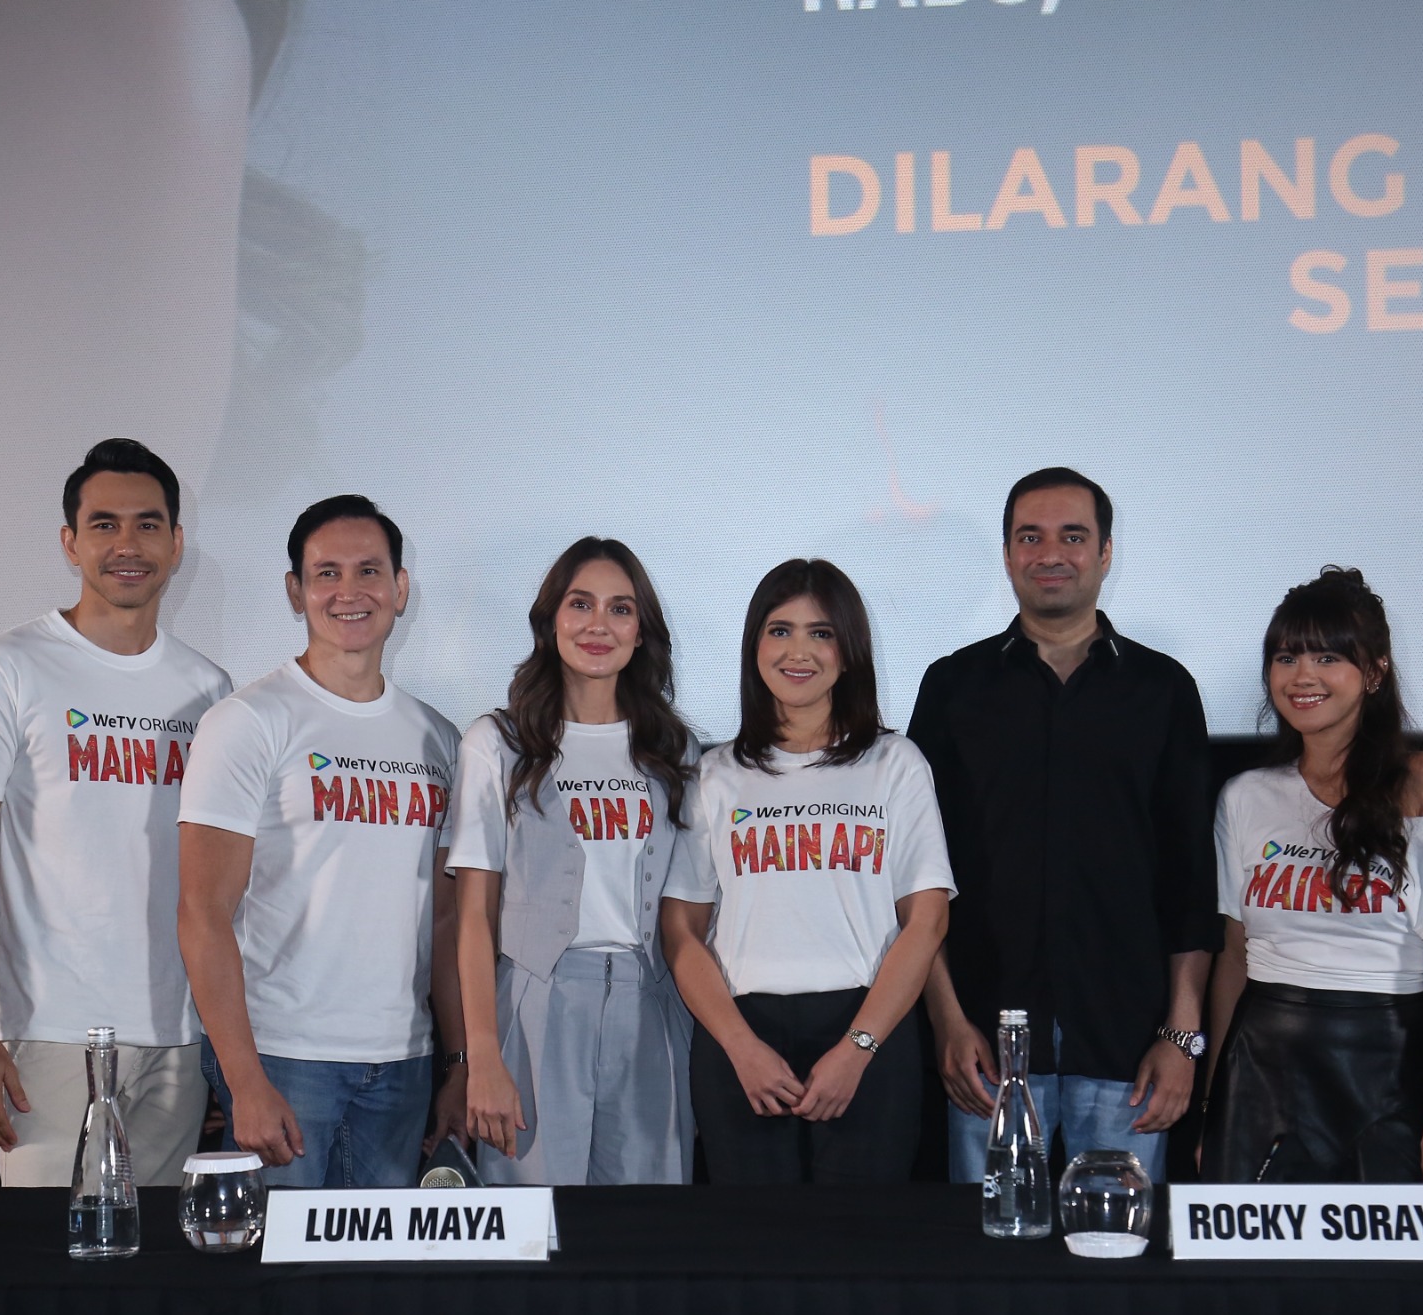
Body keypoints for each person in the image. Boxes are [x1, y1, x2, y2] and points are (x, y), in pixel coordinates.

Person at [0, 438, 230, 1184]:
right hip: (49, 1040)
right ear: (70, 543)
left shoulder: (211, 689)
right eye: (104, 525)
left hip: (179, 1039)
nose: (128, 544)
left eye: (148, 524)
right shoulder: (4, 667)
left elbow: (224, 886)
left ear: (176, 543)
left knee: (157, 1256)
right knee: (52, 1256)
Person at [908, 468, 1217, 1184]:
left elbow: (1190, 880)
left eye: (1073, 536)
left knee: (1116, 1250)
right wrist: (946, 1021)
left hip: (1127, 1044)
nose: (1051, 553)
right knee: (989, 1247)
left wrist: (1181, 1037)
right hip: (984, 1045)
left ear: (1105, 553)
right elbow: (920, 875)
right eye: (1030, 537)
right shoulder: (953, 687)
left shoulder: (1163, 690)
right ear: (1008, 554)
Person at [176, 495, 465, 1186]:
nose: (348, 591)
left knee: (380, 1261)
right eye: (326, 573)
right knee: (281, 1257)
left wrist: (457, 1062)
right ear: (295, 590)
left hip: (403, 1062)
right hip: (283, 1057)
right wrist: (244, 1080)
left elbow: (448, 920)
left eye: (369, 571)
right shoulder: (247, 722)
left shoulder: (440, 737)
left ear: (400, 587)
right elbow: (202, 913)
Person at [660, 560, 954, 1183]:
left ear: (850, 651)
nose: (799, 651)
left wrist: (858, 1048)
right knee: (755, 1238)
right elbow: (682, 933)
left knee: (861, 1238)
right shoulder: (715, 774)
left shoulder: (895, 763)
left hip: (869, 1032)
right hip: (742, 1041)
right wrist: (740, 1048)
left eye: (821, 633)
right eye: (780, 630)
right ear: (755, 646)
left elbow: (926, 922)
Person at [1201, 569, 1423, 1184]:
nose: (1302, 676)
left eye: (1328, 657)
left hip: (1388, 1064)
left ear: (1375, 672)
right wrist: (1212, 1106)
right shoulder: (1245, 795)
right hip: (1260, 1067)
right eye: (1286, 657)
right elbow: (1233, 956)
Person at [447, 538, 700, 1184]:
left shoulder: (674, 750)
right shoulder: (497, 743)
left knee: (646, 1220)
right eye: (580, 604)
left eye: (620, 609)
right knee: (532, 1219)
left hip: (650, 1005)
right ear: (550, 619)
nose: (598, 625)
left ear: (641, 630)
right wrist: (482, 1056)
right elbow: (473, 916)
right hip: (535, 1004)